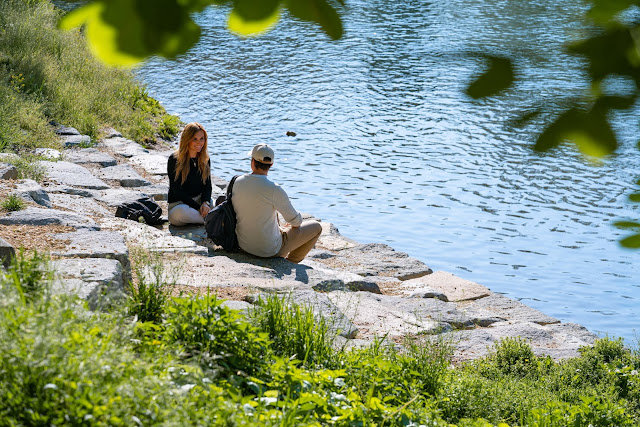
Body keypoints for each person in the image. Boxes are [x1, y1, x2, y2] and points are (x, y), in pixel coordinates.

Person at [232, 144, 322, 263]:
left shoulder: (237, 182)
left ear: (252, 162)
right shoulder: (274, 189)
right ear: (271, 165)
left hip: (243, 245)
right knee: (316, 227)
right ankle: (290, 262)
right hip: (268, 251)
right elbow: (297, 222)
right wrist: (292, 223)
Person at [167, 122, 212, 226]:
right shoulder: (174, 159)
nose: (199, 142)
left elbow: (207, 186)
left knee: (213, 205)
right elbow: (177, 191)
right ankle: (212, 219)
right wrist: (198, 207)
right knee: (182, 213)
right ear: (187, 140)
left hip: (200, 201)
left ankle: (208, 217)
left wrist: (205, 202)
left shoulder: (205, 159)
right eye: (194, 139)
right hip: (180, 205)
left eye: (202, 138)